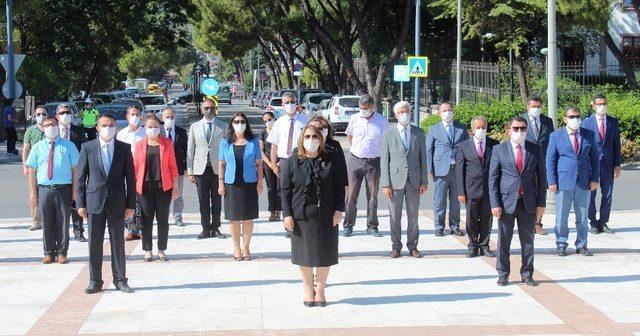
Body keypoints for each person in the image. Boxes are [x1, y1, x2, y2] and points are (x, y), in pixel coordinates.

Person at [281, 125, 345, 307]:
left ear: (321, 139)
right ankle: (308, 289)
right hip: (301, 217)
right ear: (302, 139)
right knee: (305, 255)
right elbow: (285, 191)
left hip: (326, 215)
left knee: (325, 254)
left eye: (315, 136)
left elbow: (339, 187)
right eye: (307, 136)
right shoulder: (292, 161)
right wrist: (287, 215)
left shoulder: (330, 159)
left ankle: (321, 289)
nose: (311, 140)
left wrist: (339, 210)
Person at [77, 113, 135, 294]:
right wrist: (81, 203)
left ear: (116, 128)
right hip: (94, 202)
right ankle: (95, 280)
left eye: (110, 125)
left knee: (118, 242)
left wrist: (130, 204)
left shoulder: (124, 148)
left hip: (117, 202)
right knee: (94, 243)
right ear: (97, 127)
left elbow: (131, 179)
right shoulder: (88, 148)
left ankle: (120, 280)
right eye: (104, 125)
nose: (107, 128)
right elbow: (81, 178)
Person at [489, 116, 546, 287]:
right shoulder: (499, 150)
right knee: (504, 240)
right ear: (508, 131)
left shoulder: (535, 149)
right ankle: (503, 273)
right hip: (506, 203)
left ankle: (527, 273)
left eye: (522, 128)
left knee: (528, 240)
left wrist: (541, 204)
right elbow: (493, 179)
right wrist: (494, 203)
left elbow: (542, 178)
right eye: (516, 128)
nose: (519, 132)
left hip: (528, 202)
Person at [546, 107, 600, 257]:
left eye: (577, 116)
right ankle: (561, 243)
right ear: (565, 119)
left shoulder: (588, 135)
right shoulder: (556, 136)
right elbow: (550, 160)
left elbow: (595, 159)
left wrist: (595, 178)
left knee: (582, 216)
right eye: (572, 116)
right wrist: (552, 181)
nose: (575, 119)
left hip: (584, 181)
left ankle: (582, 244)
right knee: (562, 216)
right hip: (563, 181)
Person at [26, 117, 79, 264]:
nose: (51, 127)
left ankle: (62, 252)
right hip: (44, 190)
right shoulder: (37, 147)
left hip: (64, 189)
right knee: (47, 222)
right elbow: (31, 171)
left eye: (53, 125)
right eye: (47, 125)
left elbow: (76, 170)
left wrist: (75, 191)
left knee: (63, 222)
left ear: (58, 126)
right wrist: (33, 193)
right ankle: (49, 252)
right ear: (42, 128)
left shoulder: (69, 146)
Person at [380, 101, 428, 258]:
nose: (405, 114)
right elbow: (384, 161)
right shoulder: (388, 134)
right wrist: (386, 184)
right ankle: (396, 246)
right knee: (395, 216)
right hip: (395, 181)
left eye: (407, 111)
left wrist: (424, 181)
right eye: (401, 112)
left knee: (413, 215)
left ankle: (413, 246)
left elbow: (423, 159)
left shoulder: (419, 133)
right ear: (395, 115)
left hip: (414, 181)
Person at [342, 94, 389, 237]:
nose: (363, 110)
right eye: (361, 108)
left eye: (366, 108)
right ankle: (348, 225)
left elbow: (386, 140)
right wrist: (358, 148)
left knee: (373, 196)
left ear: (372, 107)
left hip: (374, 162)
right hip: (355, 160)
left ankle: (372, 226)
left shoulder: (382, 120)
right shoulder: (354, 119)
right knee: (351, 195)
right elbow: (349, 136)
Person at [134, 115, 179, 262]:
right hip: (145, 187)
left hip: (163, 187)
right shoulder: (140, 144)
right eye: (149, 127)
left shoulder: (167, 143)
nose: (153, 129)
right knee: (146, 219)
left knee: (162, 219)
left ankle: (161, 250)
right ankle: (148, 250)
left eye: (155, 127)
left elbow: (173, 167)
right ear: (144, 128)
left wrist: (175, 187)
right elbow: (135, 167)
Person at [218, 113, 263, 261]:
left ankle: (246, 247)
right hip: (231, 184)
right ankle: (237, 248)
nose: (240, 124)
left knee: (248, 218)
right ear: (231, 123)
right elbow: (221, 164)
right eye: (237, 121)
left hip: (249, 183)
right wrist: (221, 183)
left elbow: (259, 164)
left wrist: (260, 183)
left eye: (243, 121)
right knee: (234, 219)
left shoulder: (253, 141)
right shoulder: (225, 142)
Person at [456, 116, 499, 258]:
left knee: (487, 219)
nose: (481, 130)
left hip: (489, 189)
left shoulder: (494, 145)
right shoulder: (464, 146)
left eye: (483, 127)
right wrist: (461, 192)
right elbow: (460, 171)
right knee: (471, 219)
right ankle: (473, 245)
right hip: (471, 189)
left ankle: (484, 245)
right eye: (478, 127)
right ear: (472, 130)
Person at [267, 91, 308, 237]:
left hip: (301, 161)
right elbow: (274, 146)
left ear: (297, 103)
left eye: (292, 102)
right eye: (287, 103)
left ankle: (300, 223)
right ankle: (288, 226)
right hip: (284, 161)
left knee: (300, 193)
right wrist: (273, 165)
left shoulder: (305, 121)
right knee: (285, 193)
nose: (290, 105)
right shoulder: (278, 122)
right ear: (282, 105)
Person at [426, 102, 469, 237]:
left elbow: (468, 148)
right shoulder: (434, 129)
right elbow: (428, 150)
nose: (447, 113)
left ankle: (455, 226)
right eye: (444, 110)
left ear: (453, 111)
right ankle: (439, 226)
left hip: (457, 169)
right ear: (439, 113)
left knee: (456, 200)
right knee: (439, 200)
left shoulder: (461, 129)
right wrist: (429, 169)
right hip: (440, 169)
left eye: (449, 110)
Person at [187, 98, 227, 239]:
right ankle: (205, 229)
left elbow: (227, 148)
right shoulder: (194, 127)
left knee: (217, 200)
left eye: (211, 108)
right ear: (202, 109)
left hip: (218, 169)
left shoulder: (223, 126)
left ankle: (215, 228)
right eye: (206, 108)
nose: (209, 111)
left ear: (215, 109)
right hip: (200, 169)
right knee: (203, 201)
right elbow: (190, 150)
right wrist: (190, 171)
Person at [582, 94, 621, 234]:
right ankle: (592, 222)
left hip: (608, 164)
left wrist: (617, 164)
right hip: (592, 165)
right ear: (593, 105)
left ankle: (604, 222)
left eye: (604, 103)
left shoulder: (613, 122)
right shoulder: (586, 123)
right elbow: (584, 146)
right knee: (591, 195)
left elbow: (617, 144)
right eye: (599, 104)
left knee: (607, 194)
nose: (602, 106)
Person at [520, 96, 554, 235]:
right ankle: (527, 222)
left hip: (543, 162)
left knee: (541, 192)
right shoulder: (520, 120)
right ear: (527, 107)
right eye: (534, 106)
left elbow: (552, 142)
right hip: (526, 161)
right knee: (527, 192)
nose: (536, 109)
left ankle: (538, 223)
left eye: (539, 106)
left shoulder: (547, 121)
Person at [56, 104, 88, 242]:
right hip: (58, 173)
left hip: (76, 171)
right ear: (57, 116)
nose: (65, 115)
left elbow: (84, 151)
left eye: (68, 112)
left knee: (77, 201)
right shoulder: (52, 131)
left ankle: (78, 231)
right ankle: (59, 233)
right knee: (59, 206)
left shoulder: (78, 131)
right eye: (62, 112)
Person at [116, 106, 146, 241]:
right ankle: (130, 229)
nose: (135, 117)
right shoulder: (122, 134)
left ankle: (141, 228)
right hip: (125, 170)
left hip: (142, 171)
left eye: (137, 114)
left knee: (141, 200)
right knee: (128, 200)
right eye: (132, 114)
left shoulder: (145, 132)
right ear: (127, 117)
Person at [161, 107, 188, 227]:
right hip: (161, 170)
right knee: (162, 195)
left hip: (177, 169)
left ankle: (178, 217)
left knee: (178, 194)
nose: (170, 119)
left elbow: (186, 151)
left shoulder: (181, 132)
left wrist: (187, 168)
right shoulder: (158, 131)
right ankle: (163, 218)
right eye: (167, 117)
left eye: (172, 117)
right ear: (162, 118)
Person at [22, 106, 47, 231]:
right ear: (34, 116)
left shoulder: (52, 129)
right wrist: (25, 166)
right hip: (34, 168)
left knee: (48, 193)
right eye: (38, 114)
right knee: (34, 193)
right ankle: (36, 221)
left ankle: (49, 219)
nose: (41, 116)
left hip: (48, 167)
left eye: (43, 114)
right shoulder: (30, 131)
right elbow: (26, 149)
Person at [308, 116, 348, 189]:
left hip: (328, 188)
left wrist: (343, 184)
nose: (321, 130)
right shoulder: (306, 145)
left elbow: (341, 167)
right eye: (317, 128)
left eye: (324, 127)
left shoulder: (334, 145)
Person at [259, 111, 281, 221]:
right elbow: (261, 150)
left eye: (269, 119)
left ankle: (279, 211)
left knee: (280, 188)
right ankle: (272, 211)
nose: (268, 122)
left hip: (280, 162)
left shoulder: (280, 130)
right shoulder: (263, 133)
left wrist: (279, 162)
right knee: (271, 188)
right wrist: (269, 163)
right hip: (268, 164)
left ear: (274, 118)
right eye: (265, 121)